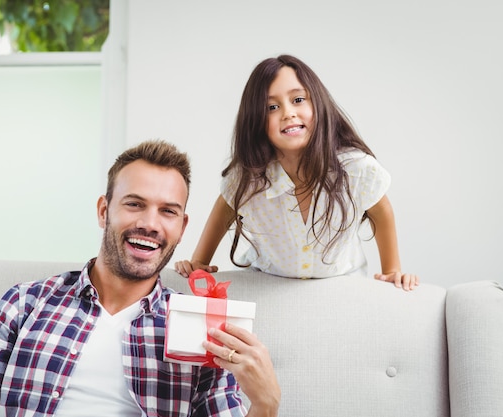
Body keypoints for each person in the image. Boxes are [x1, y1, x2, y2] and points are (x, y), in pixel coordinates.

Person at [0, 140, 280, 417]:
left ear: (182, 227)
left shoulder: (202, 330)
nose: (150, 223)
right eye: (135, 204)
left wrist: (265, 405)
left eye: (167, 211)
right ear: (104, 211)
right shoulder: (23, 303)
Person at [175, 55, 419, 291]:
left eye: (298, 100)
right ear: (256, 120)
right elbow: (224, 208)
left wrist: (392, 269)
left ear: (317, 103)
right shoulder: (248, 178)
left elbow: (381, 210)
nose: (288, 113)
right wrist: (199, 261)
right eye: (272, 107)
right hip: (266, 281)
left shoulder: (356, 169)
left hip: (342, 280)